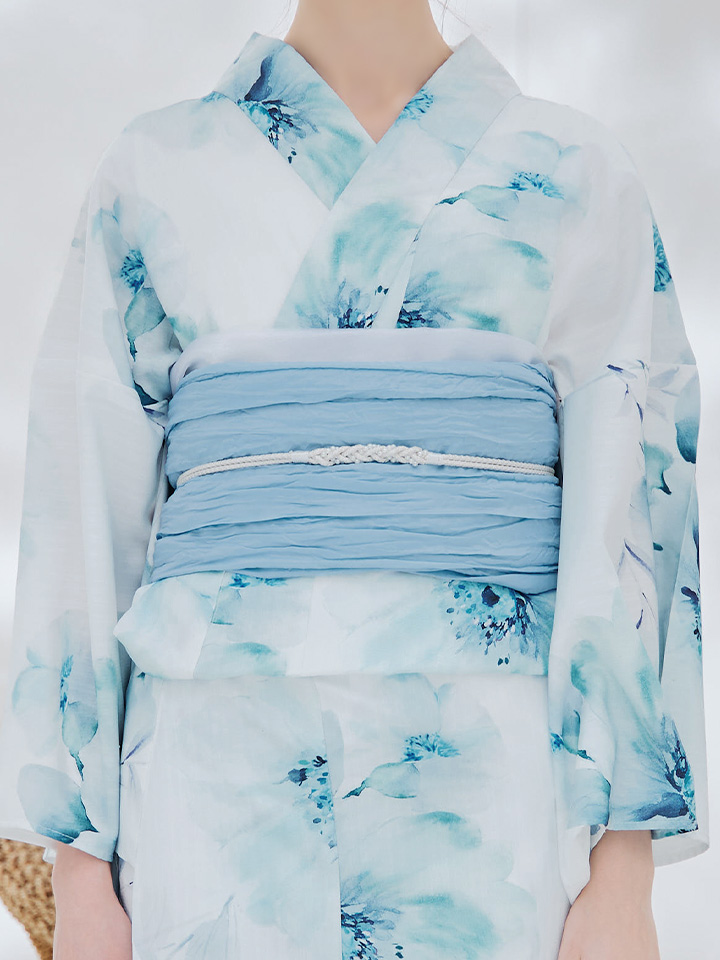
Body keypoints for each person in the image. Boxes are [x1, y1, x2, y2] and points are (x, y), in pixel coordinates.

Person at [0, 1, 708, 958]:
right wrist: (81, 875)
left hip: (498, 766)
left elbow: (630, 511)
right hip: (209, 763)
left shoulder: (579, 170)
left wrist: (623, 870)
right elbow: (80, 505)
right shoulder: (152, 165)